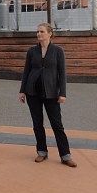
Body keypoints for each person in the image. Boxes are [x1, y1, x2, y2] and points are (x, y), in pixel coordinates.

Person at [18, 22, 77, 167]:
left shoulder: (58, 51)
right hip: (32, 92)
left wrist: (62, 93)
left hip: (51, 93)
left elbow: (62, 73)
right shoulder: (32, 51)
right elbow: (26, 71)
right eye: (37, 32)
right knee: (37, 124)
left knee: (57, 125)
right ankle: (42, 152)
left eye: (42, 31)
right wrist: (22, 90)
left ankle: (65, 155)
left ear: (50, 33)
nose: (39, 34)